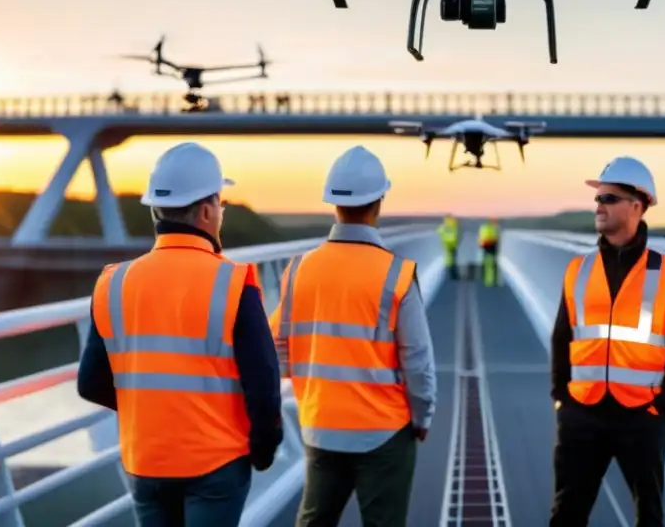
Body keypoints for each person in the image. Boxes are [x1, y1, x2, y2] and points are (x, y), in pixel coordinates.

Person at [77, 142, 282, 526]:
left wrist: (156, 413)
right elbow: (263, 385)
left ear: (157, 209)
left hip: (146, 462)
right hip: (216, 462)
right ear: (207, 210)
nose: (221, 212)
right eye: (221, 204)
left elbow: (91, 383)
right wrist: (263, 448)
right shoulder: (233, 282)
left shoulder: (112, 283)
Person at [270, 144, 437, 527]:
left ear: (334, 204)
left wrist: (308, 389)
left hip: (320, 423)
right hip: (384, 431)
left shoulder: (297, 270)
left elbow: (278, 350)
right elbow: (418, 362)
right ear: (379, 200)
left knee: (314, 520)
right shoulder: (396, 274)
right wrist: (422, 414)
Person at [549, 156, 665, 527]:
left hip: (641, 415)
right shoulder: (577, 269)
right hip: (583, 412)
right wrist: (562, 398)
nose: (599, 205)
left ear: (637, 205)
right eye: (597, 198)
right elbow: (562, 336)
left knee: (649, 516)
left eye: (609, 198)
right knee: (567, 513)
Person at [477, 217, 501, 286]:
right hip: (489, 246)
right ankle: (490, 279)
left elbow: (481, 238)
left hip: (489, 246)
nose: (495, 222)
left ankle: (490, 279)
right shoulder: (492, 228)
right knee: (490, 263)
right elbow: (493, 238)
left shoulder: (491, 228)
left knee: (490, 263)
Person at [437, 213, 460, 280]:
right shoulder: (453, 224)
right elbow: (456, 233)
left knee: (449, 259)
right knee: (452, 259)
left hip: (447, 243)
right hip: (452, 243)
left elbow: (439, 231)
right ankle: (453, 274)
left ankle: (449, 273)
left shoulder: (445, 225)